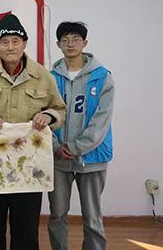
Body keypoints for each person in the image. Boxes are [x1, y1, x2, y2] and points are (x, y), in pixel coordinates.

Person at [0, 13, 66, 250]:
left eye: (15, 41)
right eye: (4, 42)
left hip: (29, 164)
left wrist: (48, 116)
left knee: (26, 229)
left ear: (24, 43)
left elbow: (59, 109)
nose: (10, 47)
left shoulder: (42, 76)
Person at [48, 22, 114, 250]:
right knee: (57, 215)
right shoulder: (50, 78)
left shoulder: (102, 77)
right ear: (58, 44)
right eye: (65, 40)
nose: (70, 44)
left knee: (92, 218)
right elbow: (43, 115)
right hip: (58, 158)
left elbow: (101, 120)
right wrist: (56, 146)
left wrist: (75, 147)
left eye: (76, 39)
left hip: (92, 158)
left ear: (85, 43)